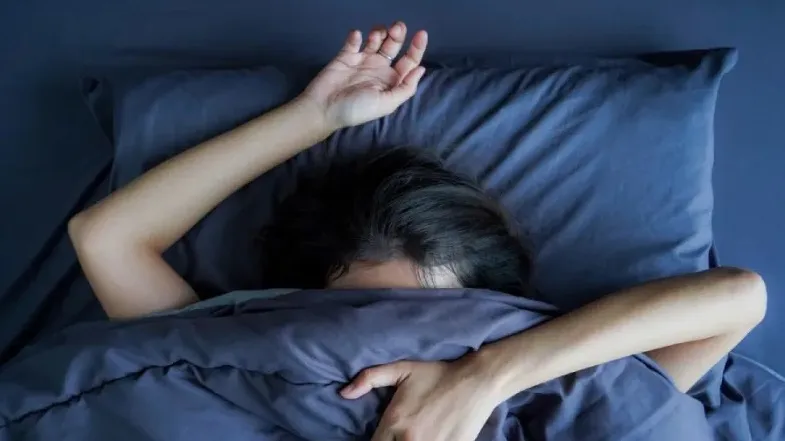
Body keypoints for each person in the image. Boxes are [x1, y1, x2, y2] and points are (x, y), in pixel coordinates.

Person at [69, 21, 767, 441]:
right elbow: (104, 237)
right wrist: (316, 117)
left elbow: (737, 298)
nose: (394, 360)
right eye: (360, 324)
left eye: (439, 327)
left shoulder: (572, 392)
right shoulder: (225, 359)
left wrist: (483, 376)